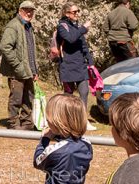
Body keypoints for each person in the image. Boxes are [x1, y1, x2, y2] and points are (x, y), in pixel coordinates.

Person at [56, 2, 97, 131]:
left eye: (78, 11)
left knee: (84, 93)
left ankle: (83, 121)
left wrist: (91, 63)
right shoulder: (62, 27)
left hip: (80, 66)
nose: (77, 14)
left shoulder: (76, 26)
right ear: (66, 14)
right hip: (67, 66)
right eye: (74, 12)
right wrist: (84, 28)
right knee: (68, 96)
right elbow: (70, 39)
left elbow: (83, 46)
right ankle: (67, 120)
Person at [0, 1, 39, 131]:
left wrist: (35, 70)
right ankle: (14, 125)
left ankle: (27, 124)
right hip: (16, 71)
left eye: (31, 11)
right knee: (16, 99)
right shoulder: (13, 26)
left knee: (28, 98)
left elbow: (31, 51)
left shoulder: (28, 26)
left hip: (28, 70)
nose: (29, 13)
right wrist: (17, 65)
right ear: (20, 10)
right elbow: (5, 47)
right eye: (26, 10)